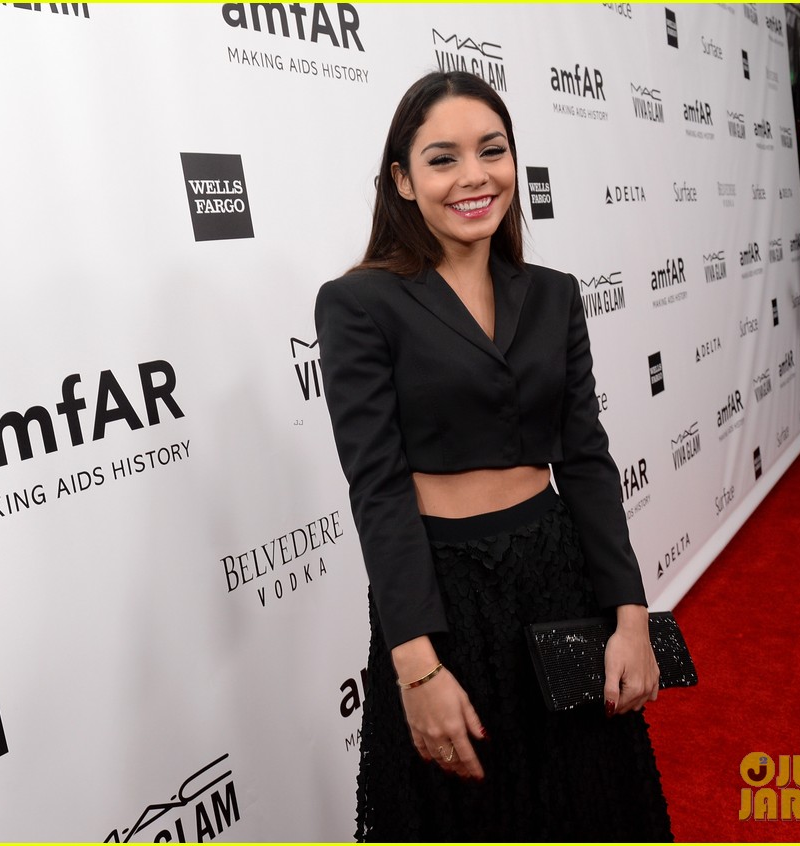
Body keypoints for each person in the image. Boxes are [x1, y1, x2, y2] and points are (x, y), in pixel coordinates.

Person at [314, 71, 673, 841]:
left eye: (492, 150)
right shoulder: (358, 305)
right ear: (403, 181)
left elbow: (585, 463)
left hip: (558, 575)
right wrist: (417, 663)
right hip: (445, 596)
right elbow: (377, 487)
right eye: (443, 159)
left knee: (590, 809)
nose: (474, 176)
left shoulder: (554, 294)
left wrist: (631, 617)